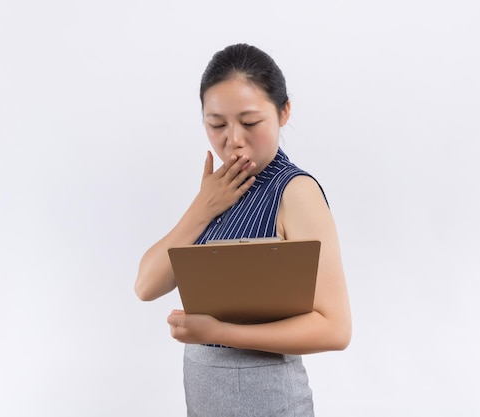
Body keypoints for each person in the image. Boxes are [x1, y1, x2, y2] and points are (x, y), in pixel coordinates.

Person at [134, 43, 352, 417]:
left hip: (268, 401)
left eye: (250, 122)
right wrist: (201, 209)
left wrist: (218, 333)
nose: (233, 139)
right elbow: (145, 286)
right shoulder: (219, 191)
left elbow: (335, 329)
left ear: (284, 111)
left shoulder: (295, 192)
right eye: (216, 124)